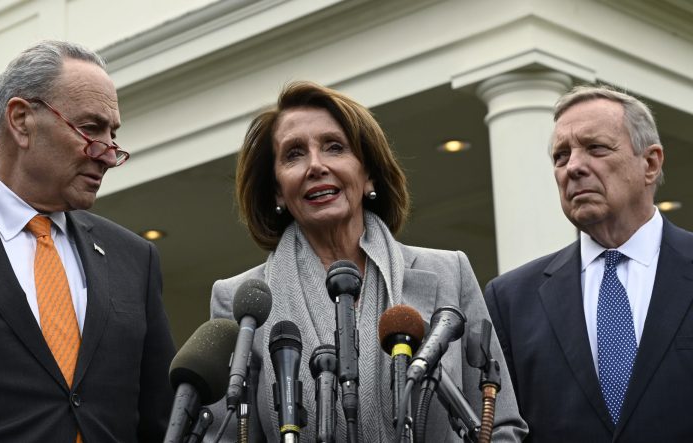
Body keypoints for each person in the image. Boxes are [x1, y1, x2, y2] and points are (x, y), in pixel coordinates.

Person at [209, 81, 527, 442]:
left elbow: (501, 426)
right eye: (294, 154)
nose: (316, 165)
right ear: (278, 190)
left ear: (369, 174)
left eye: (335, 147)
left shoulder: (448, 273)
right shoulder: (238, 300)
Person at [0, 41, 176, 442]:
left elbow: (160, 421)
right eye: (92, 128)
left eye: (113, 134)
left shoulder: (135, 258)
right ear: (22, 120)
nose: (109, 154)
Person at [484, 85, 693, 442]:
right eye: (561, 156)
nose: (574, 167)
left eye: (595, 148)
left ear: (651, 162)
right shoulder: (510, 299)